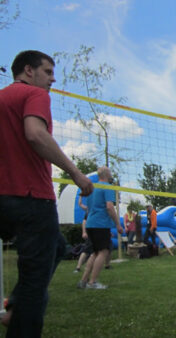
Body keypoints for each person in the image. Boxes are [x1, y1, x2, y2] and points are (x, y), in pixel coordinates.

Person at [0, 50, 95, 335]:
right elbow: (36, 134)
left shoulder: (2, 98)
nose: (53, 79)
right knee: (33, 281)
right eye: (48, 72)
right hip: (31, 198)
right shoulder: (34, 94)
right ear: (28, 71)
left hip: (4, 199)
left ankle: (14, 305)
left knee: (56, 247)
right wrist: (76, 173)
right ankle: (18, 316)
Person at [77, 167, 123, 289]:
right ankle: (92, 282)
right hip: (100, 224)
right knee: (103, 252)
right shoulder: (107, 186)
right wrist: (118, 224)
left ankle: (83, 281)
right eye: (111, 172)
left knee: (95, 252)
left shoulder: (92, 187)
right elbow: (109, 207)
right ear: (107, 174)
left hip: (90, 224)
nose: (111, 174)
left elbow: (88, 207)